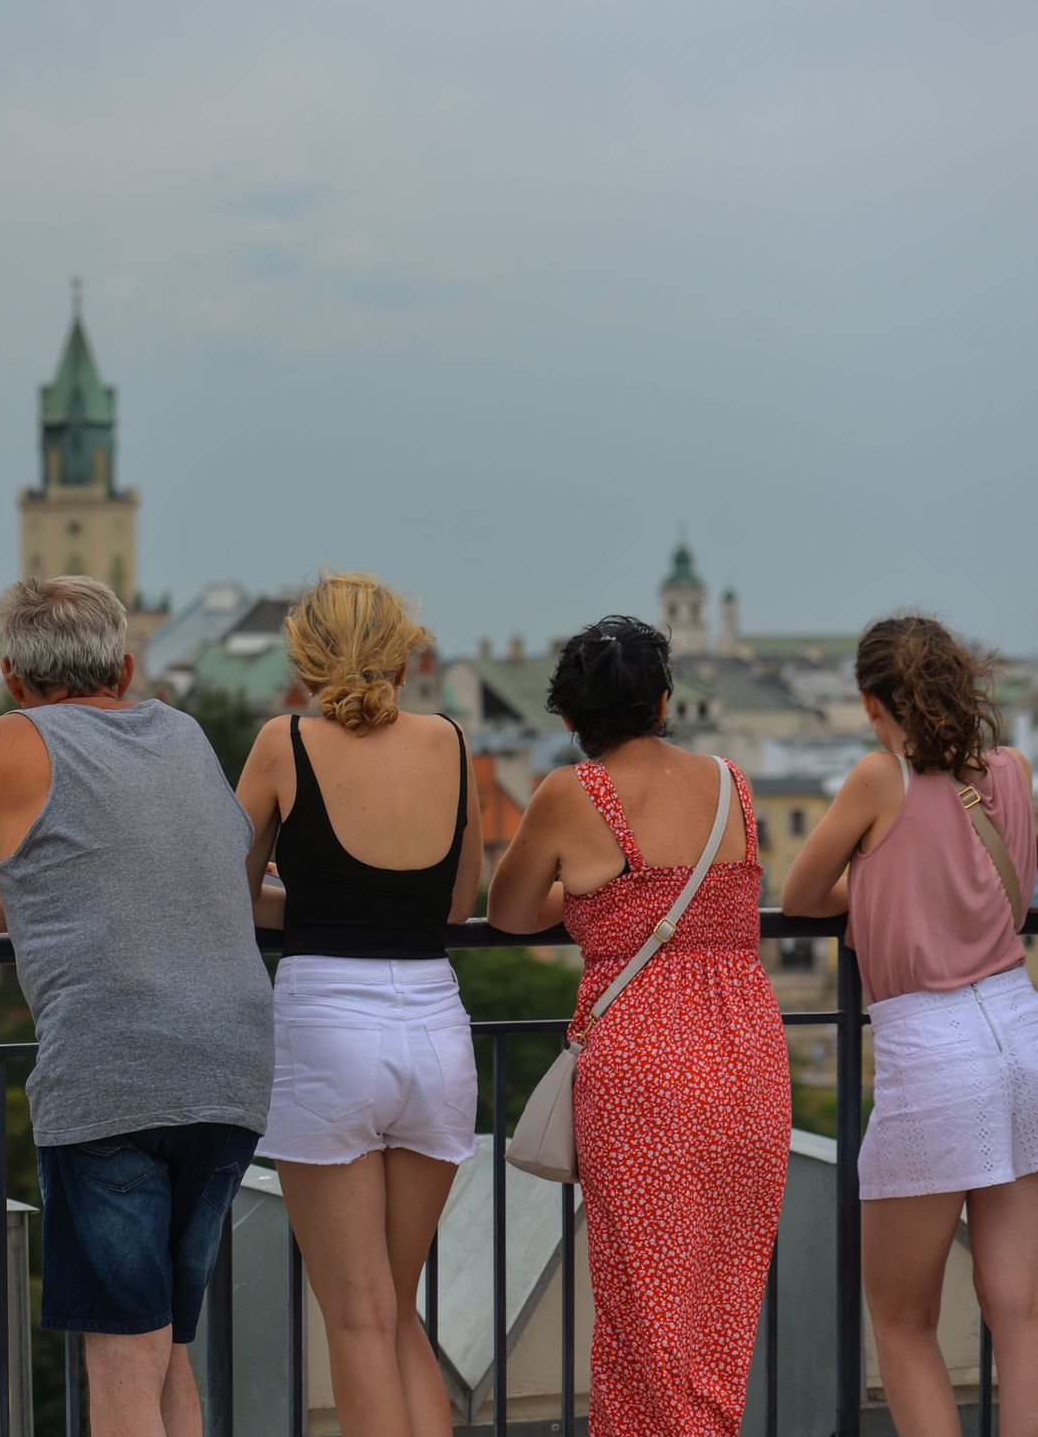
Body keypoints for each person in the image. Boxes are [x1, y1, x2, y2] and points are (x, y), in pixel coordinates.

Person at [0, 575, 272, 1437]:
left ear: (14, 678)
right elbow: (154, 889)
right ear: (125, 666)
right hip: (231, 1065)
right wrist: (13, 906)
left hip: (113, 1073)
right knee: (166, 1342)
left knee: (120, 1354)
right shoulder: (185, 736)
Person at [488, 615, 787, 1437]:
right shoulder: (733, 781)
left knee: (639, 1312)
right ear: (663, 699)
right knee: (719, 1309)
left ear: (571, 717)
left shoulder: (572, 793)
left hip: (644, 1065)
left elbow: (510, 911)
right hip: (749, 1056)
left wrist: (594, 907)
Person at [232, 572, 480, 1437]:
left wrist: (301, 901)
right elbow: (455, 904)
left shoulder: (282, 742)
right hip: (437, 1031)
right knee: (396, 1308)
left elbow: (224, 891)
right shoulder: (450, 740)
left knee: (358, 1318)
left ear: (305, 660)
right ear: (404, 656)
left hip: (327, 1029)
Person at [783, 615, 1036, 1437]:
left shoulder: (876, 780)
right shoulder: (1011, 771)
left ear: (870, 702)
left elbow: (801, 897)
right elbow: (1012, 900)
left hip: (931, 1050)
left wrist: (879, 899)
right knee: (1021, 1313)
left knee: (902, 1322)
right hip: (1019, 1027)